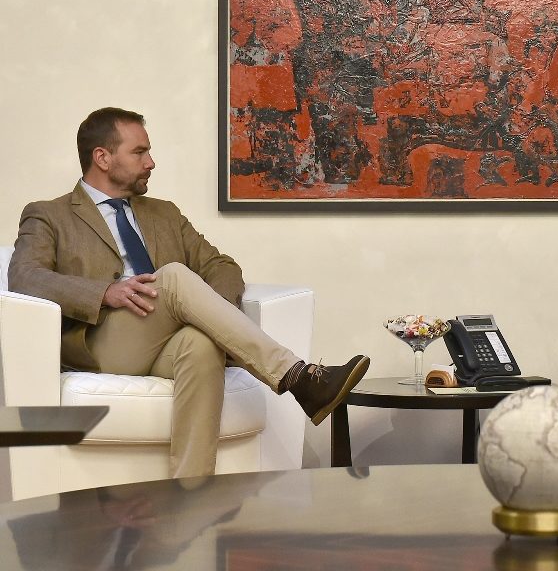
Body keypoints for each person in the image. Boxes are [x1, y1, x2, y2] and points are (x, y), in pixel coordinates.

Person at [8, 107, 370, 479]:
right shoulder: (49, 215)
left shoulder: (164, 214)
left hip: (164, 342)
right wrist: (105, 292)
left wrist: (212, 315)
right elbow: (24, 276)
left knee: (202, 343)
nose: (151, 162)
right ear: (102, 157)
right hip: (101, 343)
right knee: (175, 277)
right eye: (139, 152)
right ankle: (297, 377)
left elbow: (222, 266)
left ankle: (190, 495)